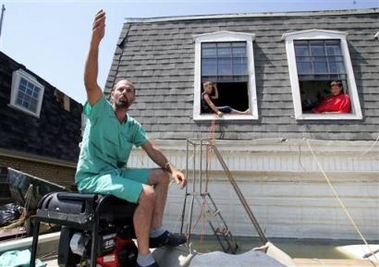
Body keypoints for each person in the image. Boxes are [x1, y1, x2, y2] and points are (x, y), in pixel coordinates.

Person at [75, 10, 187, 267]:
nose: (124, 91)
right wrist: (96, 41)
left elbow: (151, 149)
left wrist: (173, 168)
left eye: (129, 89)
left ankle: (156, 231)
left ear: (133, 98)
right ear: (112, 94)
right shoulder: (101, 109)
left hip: (116, 173)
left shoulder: (133, 126)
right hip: (93, 176)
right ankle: (144, 259)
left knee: (161, 176)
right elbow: (89, 81)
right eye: (120, 88)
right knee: (147, 193)